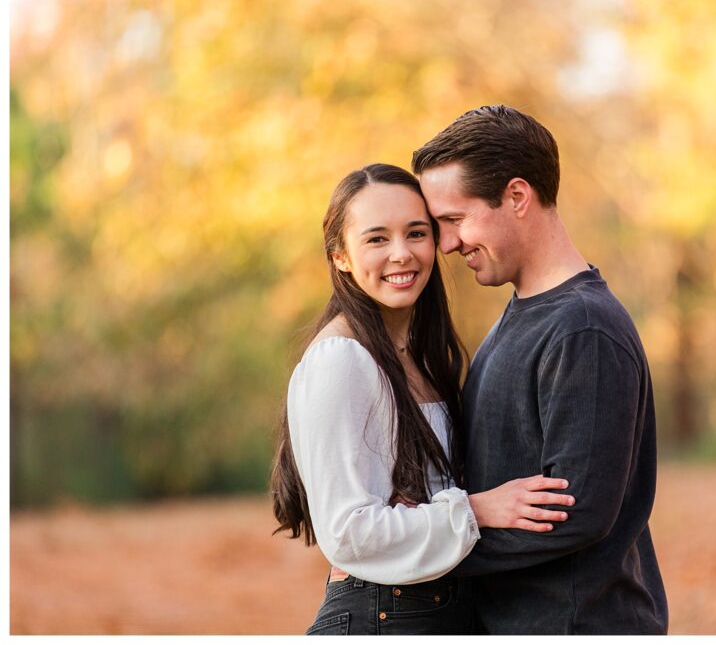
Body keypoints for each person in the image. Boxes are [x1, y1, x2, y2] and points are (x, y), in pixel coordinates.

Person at [269, 163, 575, 636]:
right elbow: (349, 534)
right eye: (376, 239)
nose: (401, 254)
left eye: (416, 233)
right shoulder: (340, 358)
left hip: (436, 613)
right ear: (340, 257)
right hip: (382, 617)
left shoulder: (424, 355)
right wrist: (477, 508)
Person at [412, 105, 669, 635]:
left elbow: (575, 511)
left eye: (455, 220)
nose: (447, 244)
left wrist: (421, 555)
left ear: (517, 197)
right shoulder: (524, 313)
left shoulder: (583, 329)